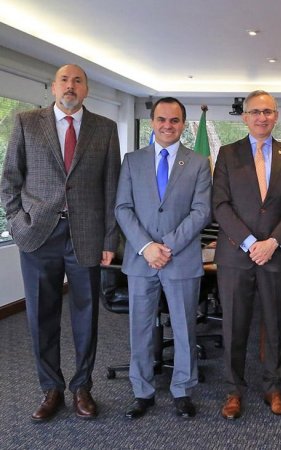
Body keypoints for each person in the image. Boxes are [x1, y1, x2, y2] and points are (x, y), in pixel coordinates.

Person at [0, 64, 120, 421]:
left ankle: (82, 386)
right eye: (64, 80)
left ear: (86, 90)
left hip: (86, 236)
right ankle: (50, 388)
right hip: (38, 236)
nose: (71, 86)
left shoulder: (105, 128)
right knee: (41, 316)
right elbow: (10, 179)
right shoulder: (26, 122)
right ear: (53, 87)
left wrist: (110, 238)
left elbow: (112, 188)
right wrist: (17, 224)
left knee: (86, 316)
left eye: (77, 81)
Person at [114, 97, 212, 419]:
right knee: (140, 328)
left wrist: (166, 246)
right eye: (161, 119)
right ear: (153, 122)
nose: (167, 125)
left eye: (174, 120)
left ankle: (182, 389)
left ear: (183, 124)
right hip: (141, 260)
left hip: (180, 259)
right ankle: (142, 391)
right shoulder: (132, 160)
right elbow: (123, 209)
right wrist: (147, 247)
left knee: (184, 327)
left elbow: (201, 211)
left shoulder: (197, 163)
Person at [213, 90, 281, 419]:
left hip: (276, 254)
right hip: (236, 255)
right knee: (234, 325)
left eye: (268, 111)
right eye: (255, 111)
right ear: (245, 116)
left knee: (276, 323)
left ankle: (273, 387)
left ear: (276, 116)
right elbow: (220, 205)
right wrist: (251, 242)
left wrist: (273, 241)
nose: (262, 117)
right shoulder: (227, 153)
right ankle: (234, 390)